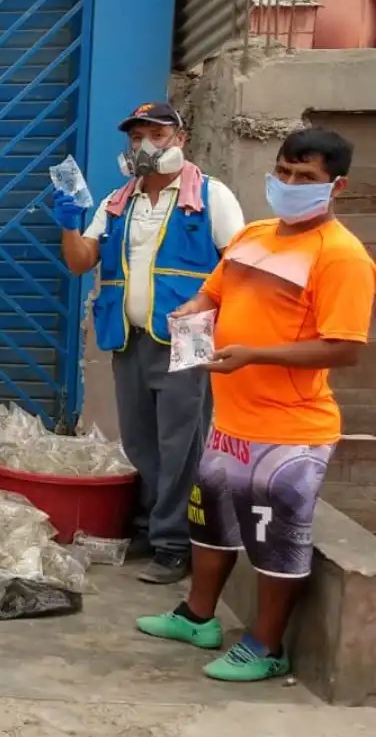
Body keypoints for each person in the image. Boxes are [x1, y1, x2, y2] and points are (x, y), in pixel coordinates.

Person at [138, 128, 374, 682]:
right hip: (232, 421)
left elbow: (344, 348)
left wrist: (253, 355)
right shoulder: (257, 235)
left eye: (307, 178)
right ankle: (199, 617)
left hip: (289, 432)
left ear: (336, 186)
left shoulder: (341, 257)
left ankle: (266, 648)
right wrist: (191, 313)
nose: (290, 185)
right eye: (284, 172)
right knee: (210, 524)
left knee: (275, 542)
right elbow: (214, 292)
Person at [53, 102, 244, 585]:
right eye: (136, 137)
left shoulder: (211, 196)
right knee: (140, 439)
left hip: (190, 334)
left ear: (179, 139)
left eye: (155, 135)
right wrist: (70, 222)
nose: (143, 146)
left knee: (182, 440)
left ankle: (175, 543)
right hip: (129, 335)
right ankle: (152, 527)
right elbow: (80, 262)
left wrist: (206, 304)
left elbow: (238, 265)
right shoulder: (119, 201)